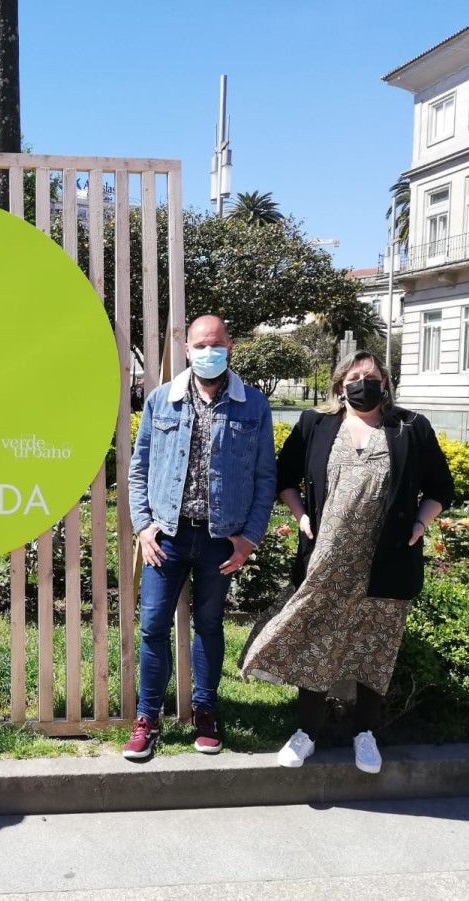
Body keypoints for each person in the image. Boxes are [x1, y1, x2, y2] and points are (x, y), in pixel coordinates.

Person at [241, 351, 453, 774]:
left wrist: (420, 525)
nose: (363, 382)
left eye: (371, 377)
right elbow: (284, 479)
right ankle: (306, 734)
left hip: (387, 562)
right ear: (340, 385)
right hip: (326, 562)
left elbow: (440, 487)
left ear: (385, 384)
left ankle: (365, 734)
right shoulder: (315, 424)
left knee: (375, 649)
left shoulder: (411, 427)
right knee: (317, 642)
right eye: (354, 376)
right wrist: (301, 516)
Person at [123, 315, 276, 760]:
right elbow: (139, 468)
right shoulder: (161, 401)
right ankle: (147, 718)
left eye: (217, 343)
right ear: (186, 350)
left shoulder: (253, 405)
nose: (209, 351)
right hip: (167, 537)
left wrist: (249, 538)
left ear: (229, 346)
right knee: (153, 627)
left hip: (219, 541)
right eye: (200, 344)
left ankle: (205, 712)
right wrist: (143, 526)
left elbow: (265, 477)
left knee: (209, 625)